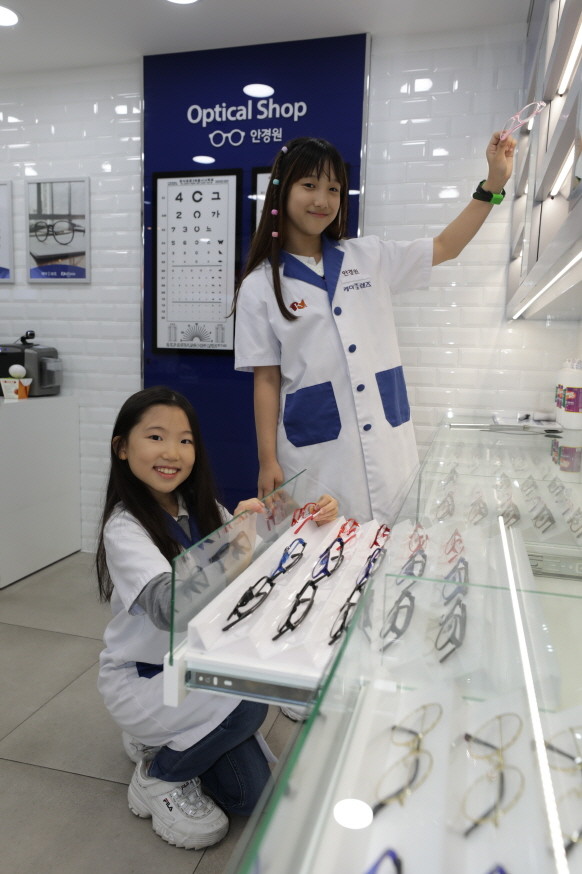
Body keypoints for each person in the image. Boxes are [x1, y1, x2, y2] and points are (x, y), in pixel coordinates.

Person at [95, 385, 336, 849]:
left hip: (196, 663)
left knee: (250, 796)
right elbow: (170, 607)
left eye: (185, 440)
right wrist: (240, 540)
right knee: (249, 702)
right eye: (156, 437)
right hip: (146, 676)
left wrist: (309, 518)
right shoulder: (124, 527)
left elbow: (257, 569)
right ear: (122, 447)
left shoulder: (201, 508)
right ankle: (158, 775)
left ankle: (169, 736)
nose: (172, 452)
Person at [233, 133, 516, 526]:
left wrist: (493, 185)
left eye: (334, 189)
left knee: (391, 541)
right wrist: (268, 460)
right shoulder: (260, 285)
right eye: (310, 185)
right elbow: (266, 378)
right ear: (281, 190)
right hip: (316, 455)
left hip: (388, 443)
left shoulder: (368, 256)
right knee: (324, 548)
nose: (323, 200)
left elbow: (446, 246)